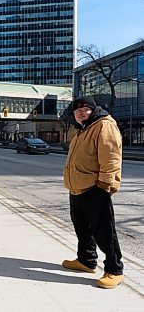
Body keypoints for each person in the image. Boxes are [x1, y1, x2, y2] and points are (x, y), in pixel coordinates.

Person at [62, 95, 124, 289]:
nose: (81, 113)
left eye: (84, 109)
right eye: (77, 111)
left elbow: (111, 157)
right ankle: (87, 261)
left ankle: (114, 270)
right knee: (82, 229)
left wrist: (105, 185)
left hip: (95, 188)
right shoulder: (82, 129)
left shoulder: (103, 125)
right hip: (77, 187)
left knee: (104, 232)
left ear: (93, 109)